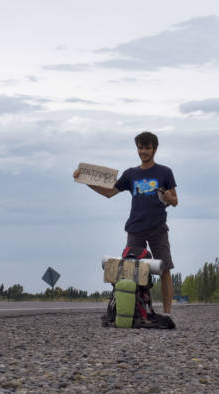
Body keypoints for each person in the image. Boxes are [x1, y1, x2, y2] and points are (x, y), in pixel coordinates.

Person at [73, 131, 178, 313]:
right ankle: (134, 309)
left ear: (154, 149)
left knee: (165, 269)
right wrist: (85, 180)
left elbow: (175, 201)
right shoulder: (131, 174)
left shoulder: (165, 172)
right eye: (140, 147)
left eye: (147, 148)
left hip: (158, 229)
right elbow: (109, 192)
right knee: (130, 271)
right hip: (135, 229)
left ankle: (167, 313)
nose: (143, 151)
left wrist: (170, 196)